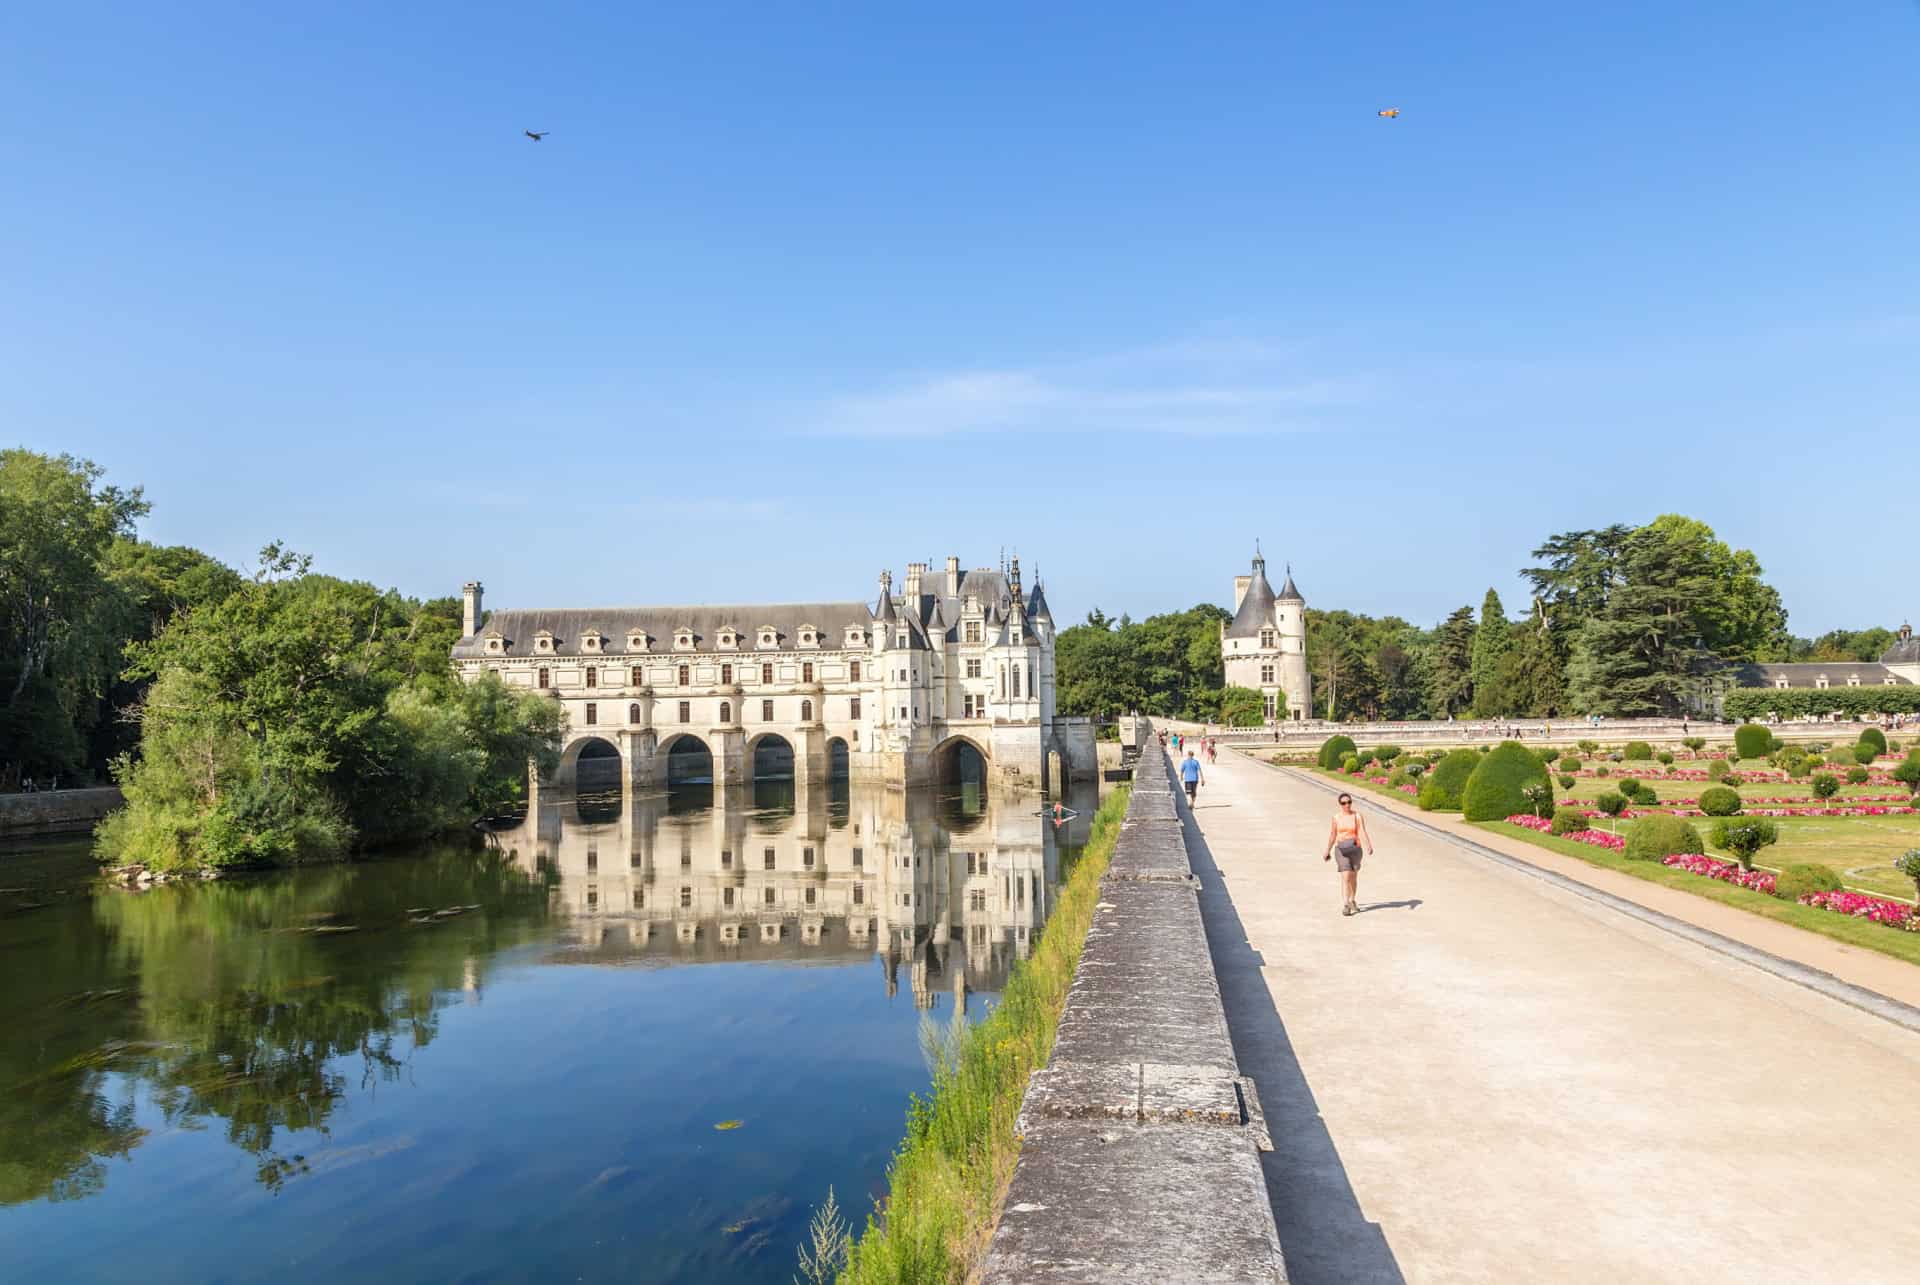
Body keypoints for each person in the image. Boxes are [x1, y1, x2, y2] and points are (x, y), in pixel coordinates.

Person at [1324, 791, 1375, 917]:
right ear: (1340, 804)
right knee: (1345, 876)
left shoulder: (1357, 816)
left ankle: (1352, 900)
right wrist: (1327, 850)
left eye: (1349, 802)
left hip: (1355, 849)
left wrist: (1368, 845)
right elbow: (1333, 835)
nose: (1347, 805)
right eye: (1344, 803)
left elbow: (1362, 831)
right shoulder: (1336, 817)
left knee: (1353, 877)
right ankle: (1346, 904)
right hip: (1341, 850)